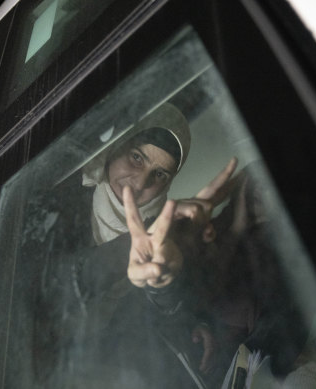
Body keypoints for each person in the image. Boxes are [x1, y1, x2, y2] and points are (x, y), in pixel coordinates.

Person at [21, 103, 239, 388]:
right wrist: (126, 250)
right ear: (116, 146)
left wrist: (166, 290)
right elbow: (43, 290)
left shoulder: (164, 236)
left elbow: (161, 313)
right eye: (137, 157)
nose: (139, 182)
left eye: (160, 174)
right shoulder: (56, 200)